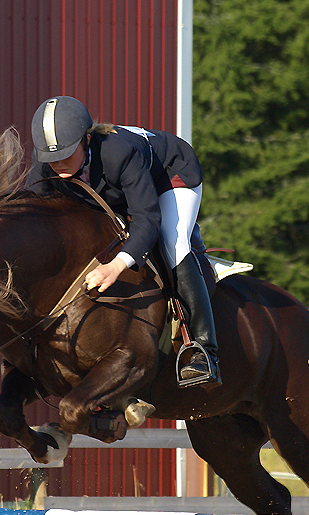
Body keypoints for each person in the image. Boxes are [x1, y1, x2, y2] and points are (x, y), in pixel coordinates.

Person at [26, 96, 221, 388]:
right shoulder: (46, 166)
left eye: (66, 153)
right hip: (124, 187)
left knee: (172, 241)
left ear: (87, 139)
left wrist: (115, 266)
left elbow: (147, 220)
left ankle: (204, 350)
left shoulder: (119, 153)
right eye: (50, 157)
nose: (58, 163)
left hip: (170, 174)